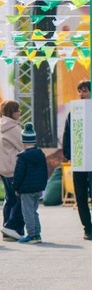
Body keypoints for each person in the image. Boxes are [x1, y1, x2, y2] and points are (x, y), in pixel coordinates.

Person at [60, 79, 92, 241]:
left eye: (85, 91)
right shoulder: (73, 114)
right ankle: (88, 228)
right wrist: (69, 156)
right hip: (79, 160)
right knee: (80, 196)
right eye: (79, 91)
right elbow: (67, 136)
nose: (81, 94)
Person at [10, 125, 47, 244]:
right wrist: (42, 186)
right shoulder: (40, 154)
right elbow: (45, 172)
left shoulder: (22, 157)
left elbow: (18, 174)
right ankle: (37, 233)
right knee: (34, 211)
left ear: (23, 141)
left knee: (27, 212)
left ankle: (31, 235)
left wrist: (15, 187)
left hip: (26, 190)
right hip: (38, 189)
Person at [0, 100, 25, 240]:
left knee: (10, 199)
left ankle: (6, 229)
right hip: (13, 168)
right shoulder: (13, 128)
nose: (20, 112)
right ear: (12, 112)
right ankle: (12, 227)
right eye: (18, 110)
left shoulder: (1, 125)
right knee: (19, 198)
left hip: (3, 168)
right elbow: (23, 147)